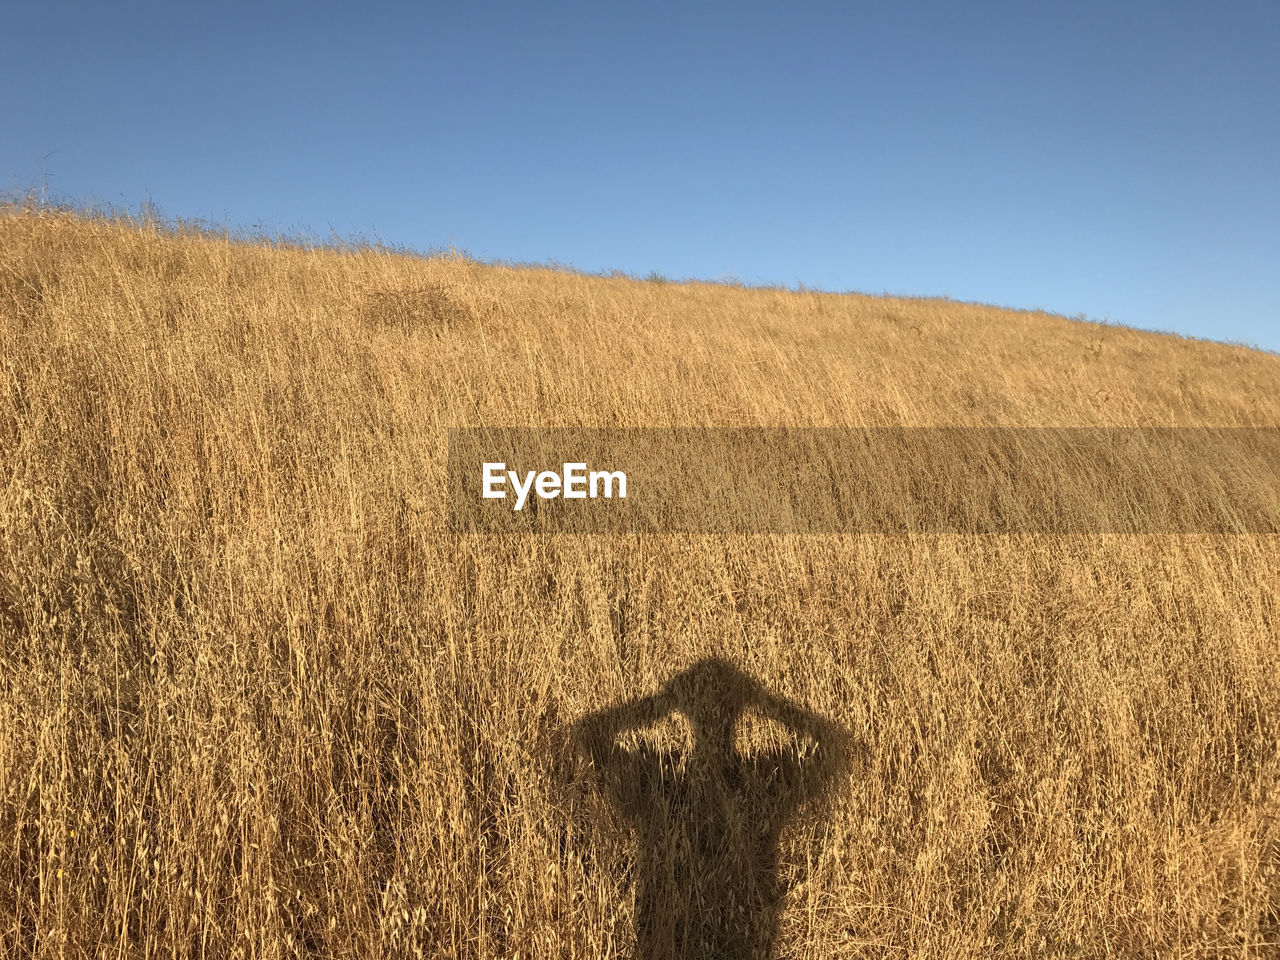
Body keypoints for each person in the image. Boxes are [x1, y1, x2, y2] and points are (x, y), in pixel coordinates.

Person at [572, 657, 849, 959]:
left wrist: (661, 704)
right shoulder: (762, 780)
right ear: (737, 711)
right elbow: (834, 742)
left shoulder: (665, 783)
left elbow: (590, 732)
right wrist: (762, 701)